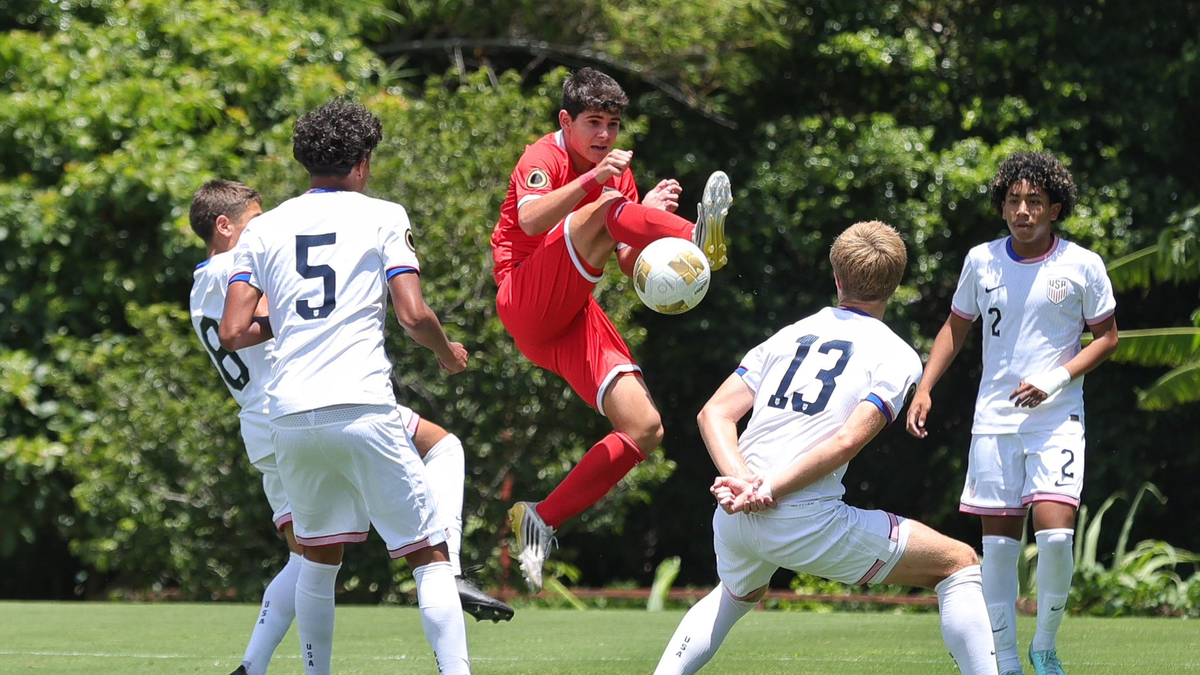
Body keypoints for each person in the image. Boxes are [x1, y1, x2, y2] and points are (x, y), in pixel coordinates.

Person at [653, 221, 1000, 675]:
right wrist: (766, 489)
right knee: (957, 564)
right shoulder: (897, 355)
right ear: (895, 285)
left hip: (735, 515)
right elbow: (847, 439)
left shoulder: (789, 334)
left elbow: (713, 413)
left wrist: (743, 482)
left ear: (836, 278)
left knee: (735, 596)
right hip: (799, 517)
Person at [218, 100, 472, 675]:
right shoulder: (382, 214)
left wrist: (292, 318)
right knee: (430, 557)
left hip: (289, 416)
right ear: (361, 162)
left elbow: (234, 331)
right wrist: (447, 353)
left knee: (317, 560)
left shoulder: (265, 228)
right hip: (360, 406)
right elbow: (412, 315)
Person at [492, 67, 734, 590]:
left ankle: (541, 519)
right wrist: (600, 188)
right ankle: (699, 236)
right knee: (607, 206)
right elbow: (532, 222)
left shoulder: (615, 173)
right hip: (524, 299)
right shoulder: (545, 156)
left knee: (645, 428)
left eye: (614, 125)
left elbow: (626, 262)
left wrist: (643, 219)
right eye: (594, 123)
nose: (604, 136)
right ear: (566, 121)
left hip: (569, 313)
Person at [905, 151, 1118, 675]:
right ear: (1002, 207)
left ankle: (1044, 647)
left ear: (1055, 209)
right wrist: (925, 385)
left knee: (1055, 537)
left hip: (1057, 419)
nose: (1023, 210)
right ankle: (1004, 661)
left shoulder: (1083, 264)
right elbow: (956, 327)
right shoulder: (981, 260)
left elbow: (1107, 338)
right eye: (1014, 201)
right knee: (998, 553)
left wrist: (1056, 378)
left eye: (1034, 202)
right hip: (994, 423)